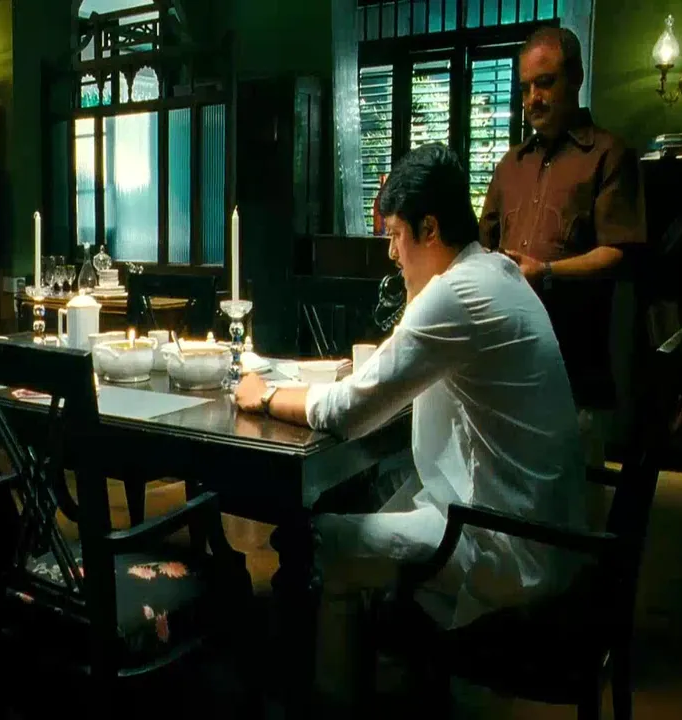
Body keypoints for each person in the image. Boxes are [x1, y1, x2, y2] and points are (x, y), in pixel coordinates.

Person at [234, 144, 588, 713]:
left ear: (430, 228)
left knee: (324, 539)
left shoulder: (457, 293)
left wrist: (267, 394)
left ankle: (328, 703)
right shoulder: (496, 271)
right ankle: (397, 674)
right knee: (381, 492)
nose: (391, 252)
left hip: (506, 542)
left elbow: (348, 410)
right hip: (548, 526)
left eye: (397, 234)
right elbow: (397, 369)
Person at [480, 27, 646, 466]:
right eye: (525, 88)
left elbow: (621, 253)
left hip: (576, 375)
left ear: (576, 78)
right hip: (508, 370)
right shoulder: (509, 165)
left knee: (574, 499)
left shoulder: (609, 154)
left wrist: (548, 273)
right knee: (509, 492)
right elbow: (479, 253)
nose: (533, 98)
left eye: (545, 83)